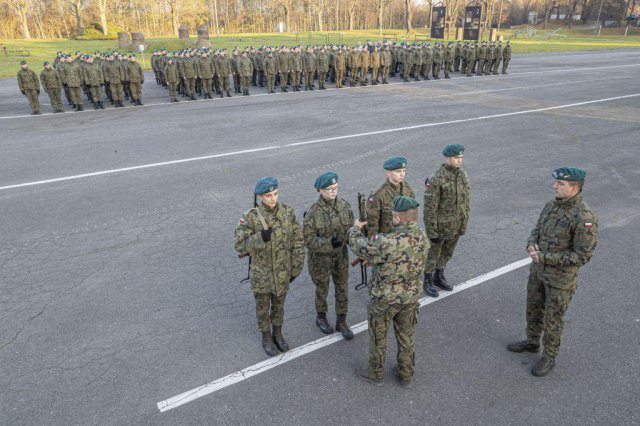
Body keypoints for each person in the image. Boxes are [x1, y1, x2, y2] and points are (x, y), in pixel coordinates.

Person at [507, 167, 598, 377]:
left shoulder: (584, 218)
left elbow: (582, 256)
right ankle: (532, 342)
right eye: (556, 182)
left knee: (553, 319)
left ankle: (549, 357)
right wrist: (531, 244)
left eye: (560, 184)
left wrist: (546, 258)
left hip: (560, 281)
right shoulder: (552, 205)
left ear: (574, 188)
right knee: (533, 309)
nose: (554, 186)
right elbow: (537, 229)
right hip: (538, 272)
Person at [349, 196, 430, 388]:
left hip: (384, 300)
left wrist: (355, 228)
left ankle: (375, 373)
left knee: (378, 337)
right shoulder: (422, 237)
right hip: (410, 298)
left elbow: (358, 246)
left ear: (397, 218)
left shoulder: (386, 242)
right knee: (406, 336)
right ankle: (406, 374)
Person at [234, 177, 305, 356]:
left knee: (279, 305)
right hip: (262, 274)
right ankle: (266, 336)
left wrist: (296, 267)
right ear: (259, 197)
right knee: (263, 307)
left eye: (275, 194)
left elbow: (298, 241)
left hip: (282, 271)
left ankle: (278, 333)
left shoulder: (288, 213)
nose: (273, 198)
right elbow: (239, 245)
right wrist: (259, 238)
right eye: (268, 195)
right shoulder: (250, 217)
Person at [303, 172, 355, 339]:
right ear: (320, 190)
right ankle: (321, 318)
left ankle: (341, 320)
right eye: (329, 189)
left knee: (342, 288)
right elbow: (308, 240)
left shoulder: (344, 206)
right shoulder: (313, 212)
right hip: (321, 261)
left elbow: (352, 230)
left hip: (341, 258)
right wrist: (328, 244)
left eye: (336, 188)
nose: (334, 192)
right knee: (322, 289)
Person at [423, 144, 470, 298]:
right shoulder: (437, 179)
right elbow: (430, 208)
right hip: (440, 227)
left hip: (456, 224)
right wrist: (432, 231)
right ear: (447, 158)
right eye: (456, 158)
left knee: (447, 252)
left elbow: (465, 201)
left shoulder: (463, 175)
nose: (460, 160)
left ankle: (439, 275)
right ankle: (428, 280)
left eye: (461, 157)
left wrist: (464, 222)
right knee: (433, 253)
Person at [366, 156, 415, 237]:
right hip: (388, 241)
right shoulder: (378, 195)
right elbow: (372, 225)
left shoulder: (407, 189)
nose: (402, 174)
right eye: (398, 171)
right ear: (388, 172)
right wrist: (374, 245)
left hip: (405, 238)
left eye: (404, 171)